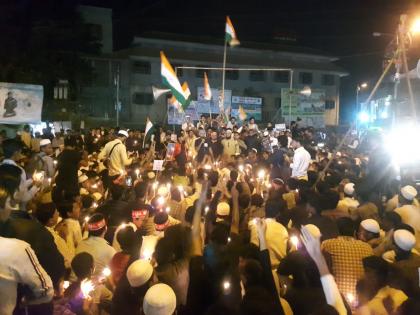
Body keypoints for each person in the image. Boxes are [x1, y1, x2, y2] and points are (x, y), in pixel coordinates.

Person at [321, 217, 373, 307]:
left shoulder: (327, 244)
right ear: (354, 232)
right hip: (360, 299)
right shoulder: (367, 247)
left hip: (336, 298)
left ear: (336, 231)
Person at [1, 139, 39, 210]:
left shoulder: (1, 166)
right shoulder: (18, 171)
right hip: (12, 209)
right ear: (16, 153)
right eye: (20, 152)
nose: (21, 155)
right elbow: (23, 197)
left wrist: (31, 181)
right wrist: (36, 186)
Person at [393, 185, 420, 252]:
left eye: (399, 194)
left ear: (401, 197)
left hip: (409, 249)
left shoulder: (399, 211)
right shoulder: (418, 209)